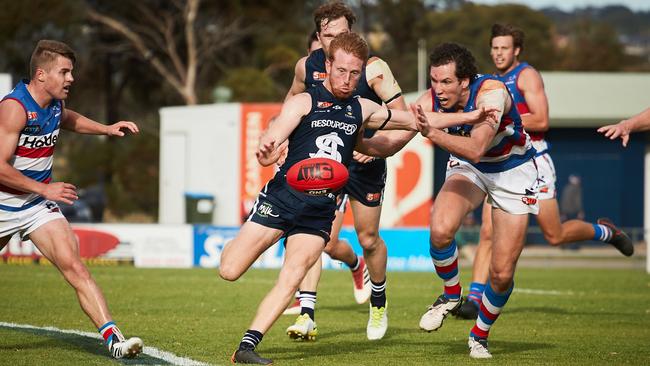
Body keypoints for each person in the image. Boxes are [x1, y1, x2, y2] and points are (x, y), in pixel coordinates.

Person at [223, 33, 489, 365]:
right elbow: (271, 142)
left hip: (318, 211)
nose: (348, 79)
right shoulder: (303, 102)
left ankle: (247, 347)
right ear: (329, 65)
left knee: (292, 276)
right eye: (342, 71)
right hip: (281, 199)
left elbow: (416, 120)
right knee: (230, 270)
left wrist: (467, 117)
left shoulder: (361, 108)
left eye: (355, 73)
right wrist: (266, 149)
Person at [454, 24, 635, 321]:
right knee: (488, 231)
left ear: (516, 51)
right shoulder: (491, 83)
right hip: (504, 164)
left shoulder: (526, 75)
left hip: (534, 159)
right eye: (495, 48)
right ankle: (474, 299)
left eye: (504, 48)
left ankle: (605, 231)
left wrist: (502, 117)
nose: (499, 53)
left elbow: (541, 119)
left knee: (555, 234)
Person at [0, 40, 143, 359]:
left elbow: (69, 119)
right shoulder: (14, 107)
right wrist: (45, 189)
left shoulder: (54, 104)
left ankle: (114, 341)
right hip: (4, 203)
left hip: (36, 208)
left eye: (71, 72)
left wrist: (106, 129)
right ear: (41, 75)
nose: (71, 78)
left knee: (76, 268)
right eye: (64, 72)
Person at [283, 1, 416, 341]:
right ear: (319, 36)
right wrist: (281, 136)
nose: (336, 40)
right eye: (329, 35)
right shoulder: (306, 67)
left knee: (368, 238)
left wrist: (375, 147)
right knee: (317, 236)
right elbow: (292, 102)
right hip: (325, 162)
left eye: (343, 33)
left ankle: (378, 300)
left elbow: (404, 118)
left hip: (364, 164)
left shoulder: (373, 68)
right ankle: (307, 313)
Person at [412, 42, 539, 359]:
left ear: (465, 81)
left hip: (512, 170)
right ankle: (451, 295)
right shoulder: (431, 99)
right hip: (470, 169)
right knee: (440, 229)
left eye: (446, 82)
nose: (438, 90)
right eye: (434, 81)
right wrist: (365, 146)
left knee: (501, 274)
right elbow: (400, 130)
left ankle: (479, 335)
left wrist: (433, 133)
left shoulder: (492, 94)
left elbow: (476, 147)